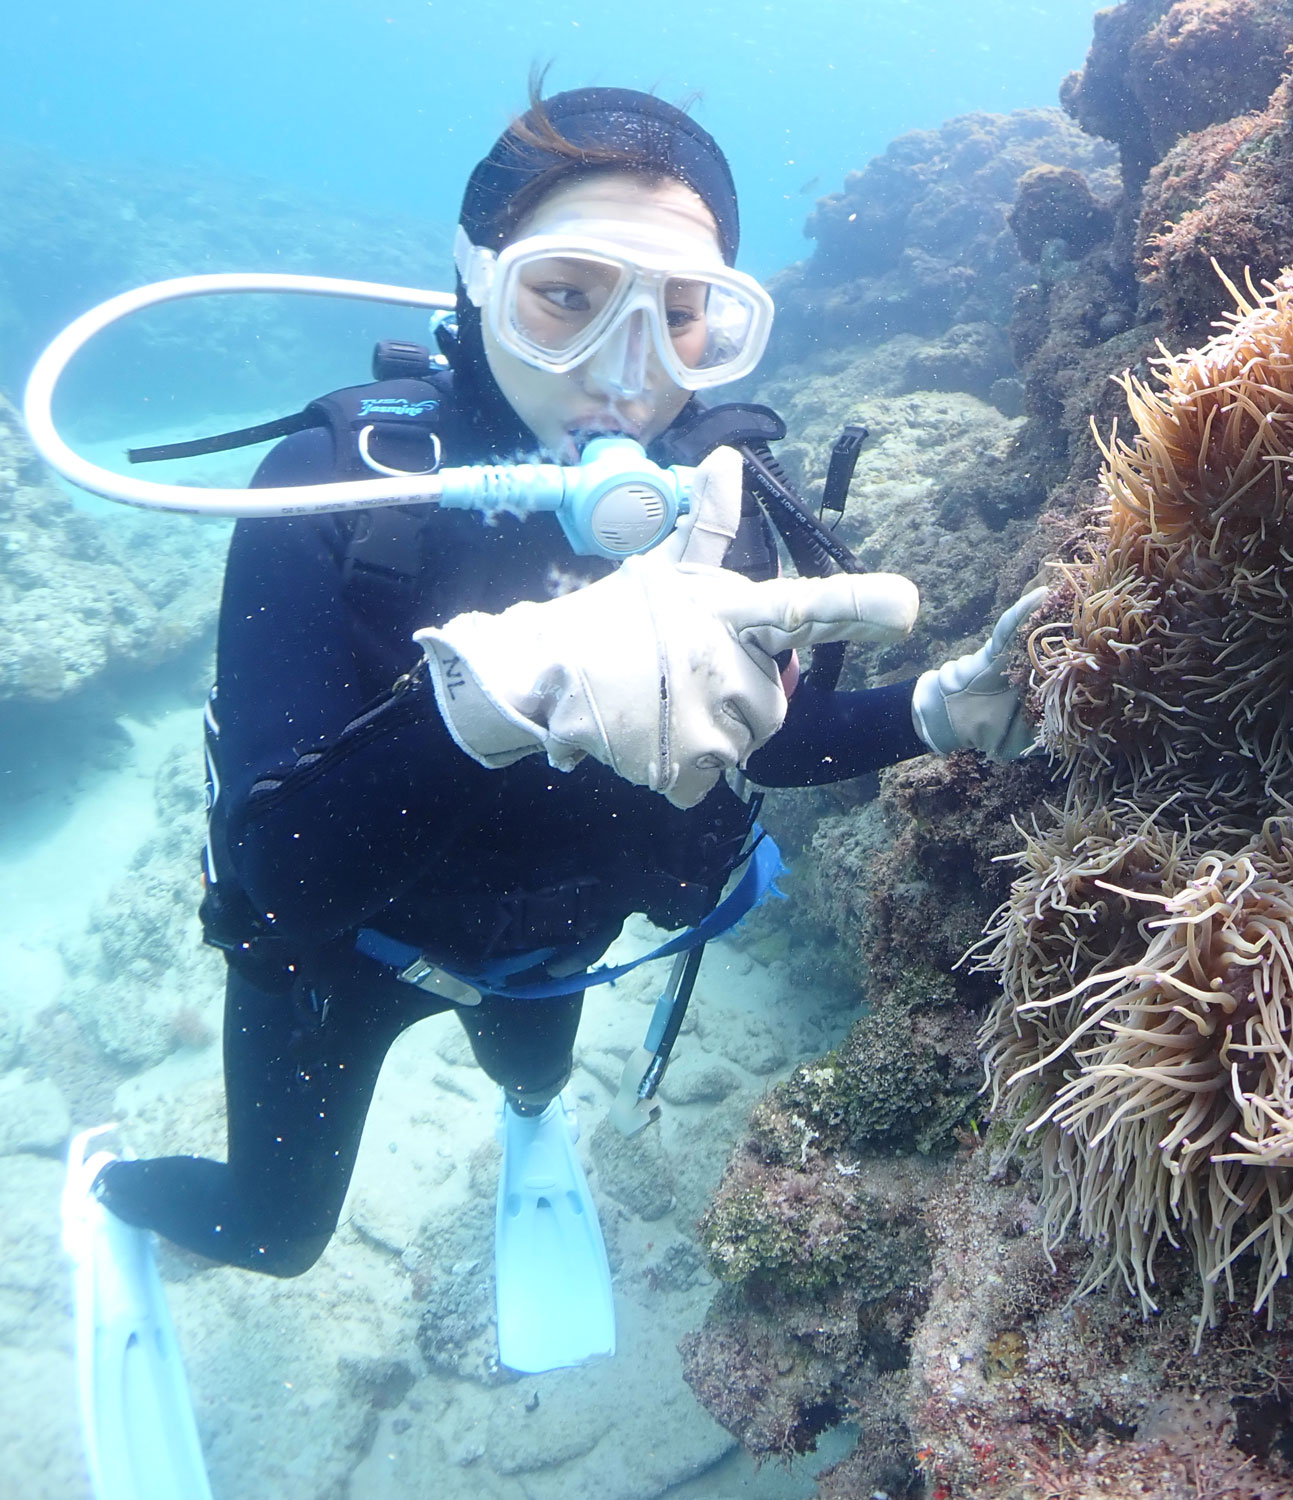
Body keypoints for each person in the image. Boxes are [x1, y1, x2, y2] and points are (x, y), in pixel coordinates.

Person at [65, 83, 1041, 1452]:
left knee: (530, 1077)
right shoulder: (334, 488)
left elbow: (768, 735)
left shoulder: (722, 509)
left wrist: (938, 709)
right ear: (478, 281)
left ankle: (530, 1117)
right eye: (566, 298)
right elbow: (281, 881)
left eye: (683, 314)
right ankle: (107, 1190)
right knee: (277, 1235)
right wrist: (488, 703)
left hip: (555, 951)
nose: (626, 375)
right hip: (345, 961)